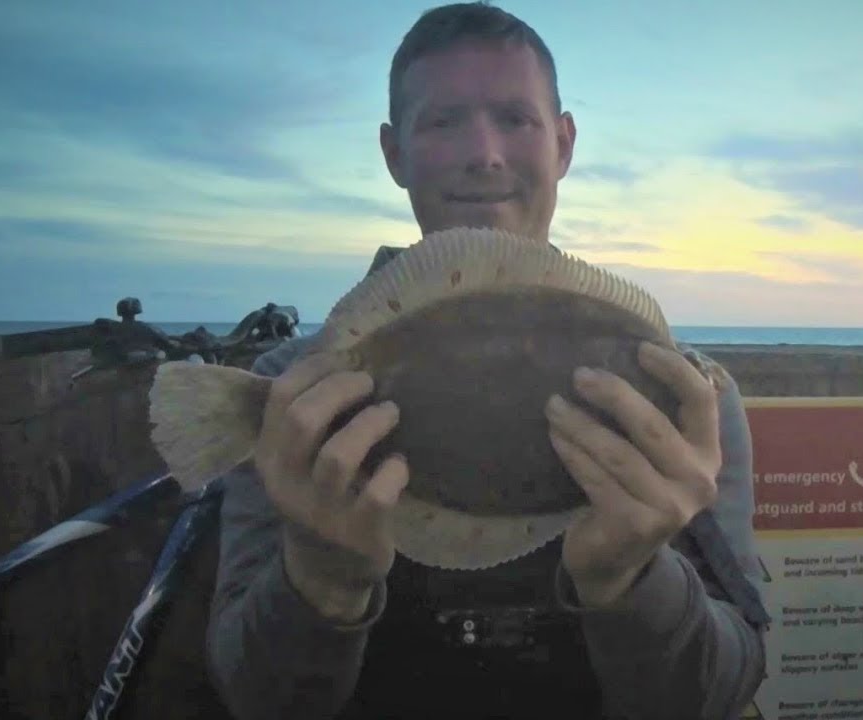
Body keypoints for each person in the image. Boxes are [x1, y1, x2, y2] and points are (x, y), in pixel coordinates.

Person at [205, 4, 770, 718]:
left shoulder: (689, 397)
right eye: (443, 123)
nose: (485, 153)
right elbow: (252, 696)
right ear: (394, 154)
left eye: (516, 119)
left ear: (563, 143)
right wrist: (322, 579)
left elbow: (724, 690)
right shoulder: (291, 393)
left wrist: (631, 578)